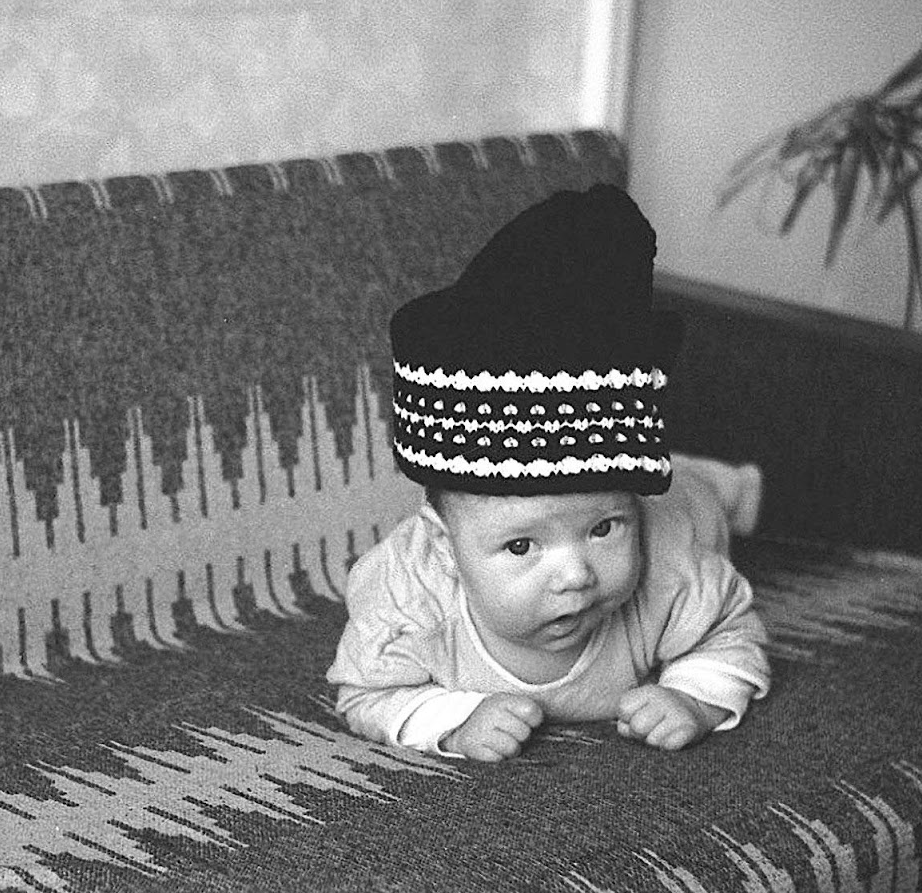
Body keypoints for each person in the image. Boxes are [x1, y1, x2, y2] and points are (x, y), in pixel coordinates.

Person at [327, 183, 770, 761]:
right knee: (666, 489)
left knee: (695, 498)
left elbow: (732, 633)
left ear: (631, 507)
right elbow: (364, 693)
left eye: (603, 529)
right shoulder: (409, 596)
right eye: (521, 546)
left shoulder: (669, 567)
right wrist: (452, 722)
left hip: (680, 505)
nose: (576, 575)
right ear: (443, 545)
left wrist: (693, 697)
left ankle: (733, 488)